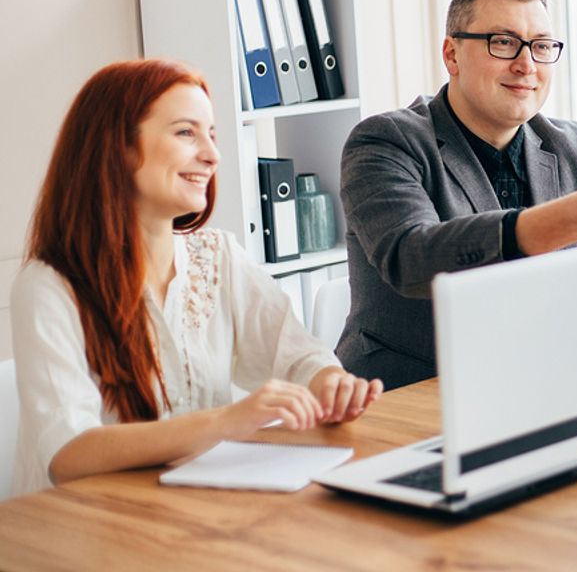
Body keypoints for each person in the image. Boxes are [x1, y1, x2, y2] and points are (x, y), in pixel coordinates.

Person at [10, 59, 382, 496]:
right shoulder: (50, 286)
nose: (212, 154)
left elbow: (297, 356)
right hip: (88, 527)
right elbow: (69, 453)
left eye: (212, 134)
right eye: (186, 132)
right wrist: (224, 422)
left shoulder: (218, 257)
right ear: (119, 148)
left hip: (197, 511)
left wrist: (329, 384)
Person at [338, 0, 577, 389]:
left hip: (537, 392)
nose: (527, 64)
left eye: (541, 45)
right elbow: (412, 259)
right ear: (452, 54)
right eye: (504, 43)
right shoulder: (386, 142)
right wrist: (569, 219)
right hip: (411, 397)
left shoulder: (572, 146)